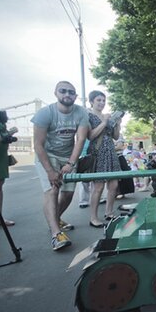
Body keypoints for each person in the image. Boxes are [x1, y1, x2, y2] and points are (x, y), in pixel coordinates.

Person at [32, 81, 89, 251]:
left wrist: (71, 162)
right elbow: (38, 144)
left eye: (71, 92)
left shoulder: (81, 113)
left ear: (75, 96)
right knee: (52, 190)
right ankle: (56, 234)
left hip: (68, 155)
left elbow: (80, 139)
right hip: (48, 154)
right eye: (63, 91)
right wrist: (50, 170)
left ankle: (55, 219)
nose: (67, 95)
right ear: (56, 93)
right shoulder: (45, 113)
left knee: (68, 194)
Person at [87, 90, 121, 227]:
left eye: (103, 100)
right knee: (98, 187)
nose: (102, 103)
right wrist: (104, 122)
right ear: (91, 102)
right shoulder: (89, 115)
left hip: (111, 152)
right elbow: (91, 136)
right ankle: (93, 217)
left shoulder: (106, 116)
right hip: (98, 152)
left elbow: (116, 137)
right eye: (98, 100)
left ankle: (109, 212)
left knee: (114, 184)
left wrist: (117, 123)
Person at [0, 111, 18, 226]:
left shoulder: (2, 128)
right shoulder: (2, 129)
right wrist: (11, 132)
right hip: (0, 160)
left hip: (1, 160)